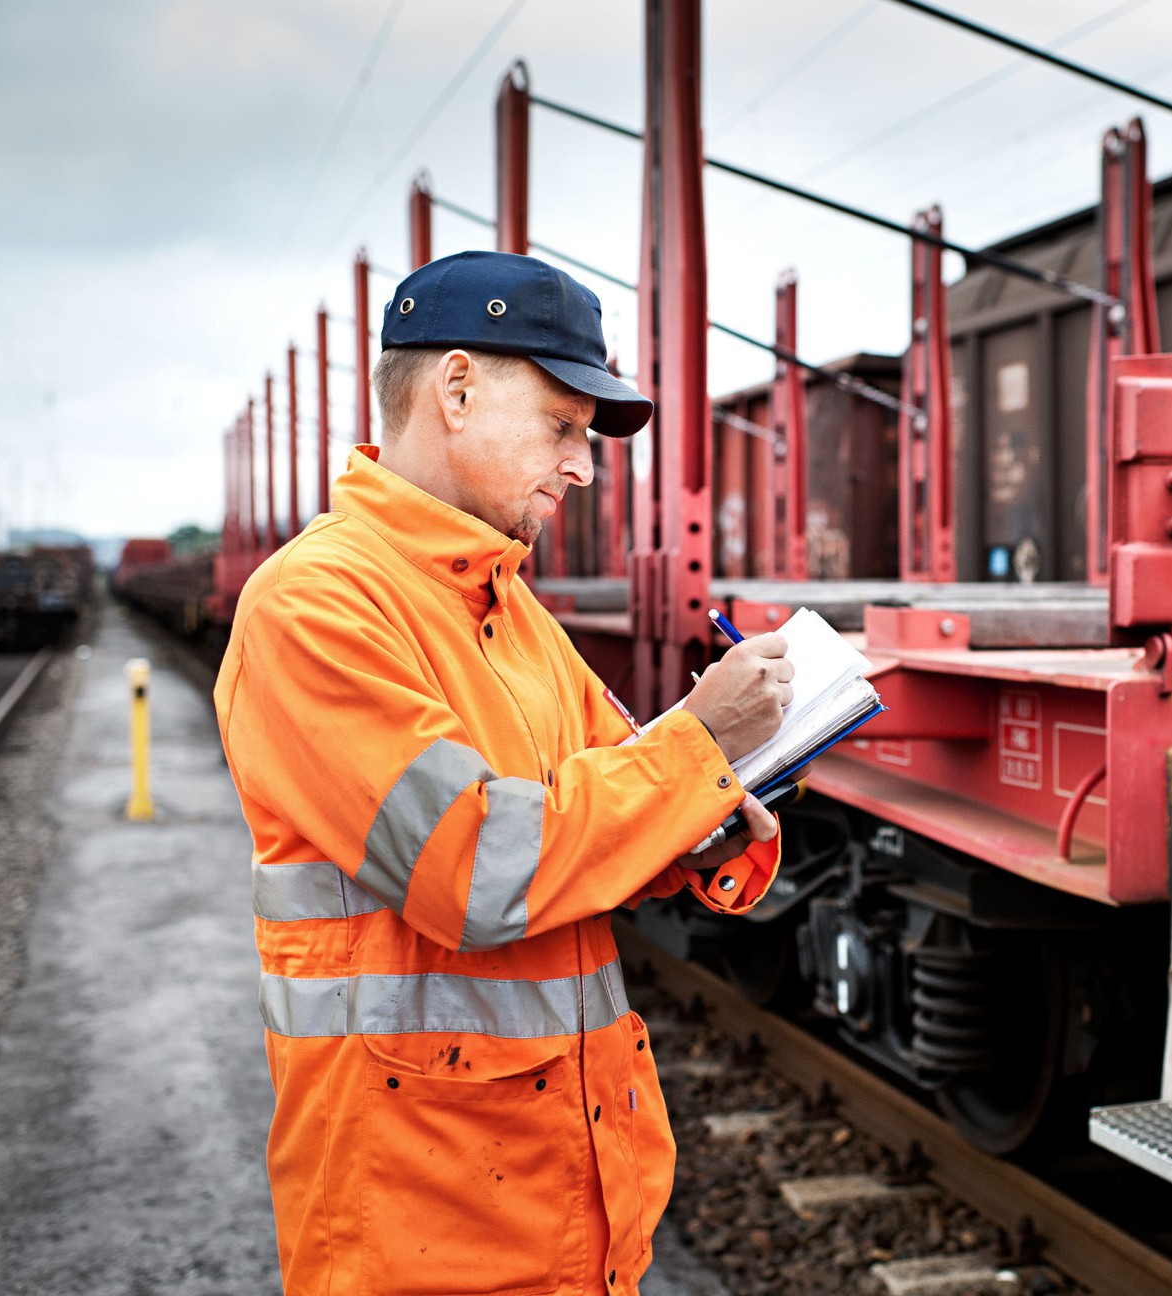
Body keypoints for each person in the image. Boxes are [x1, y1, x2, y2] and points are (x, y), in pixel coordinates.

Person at [213, 250, 795, 1296]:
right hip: (416, 1227)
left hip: (567, 1206)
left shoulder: (510, 608)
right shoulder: (313, 608)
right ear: (458, 389)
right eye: (564, 427)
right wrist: (698, 746)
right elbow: (479, 868)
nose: (582, 466)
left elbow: (604, 806)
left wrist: (711, 817)